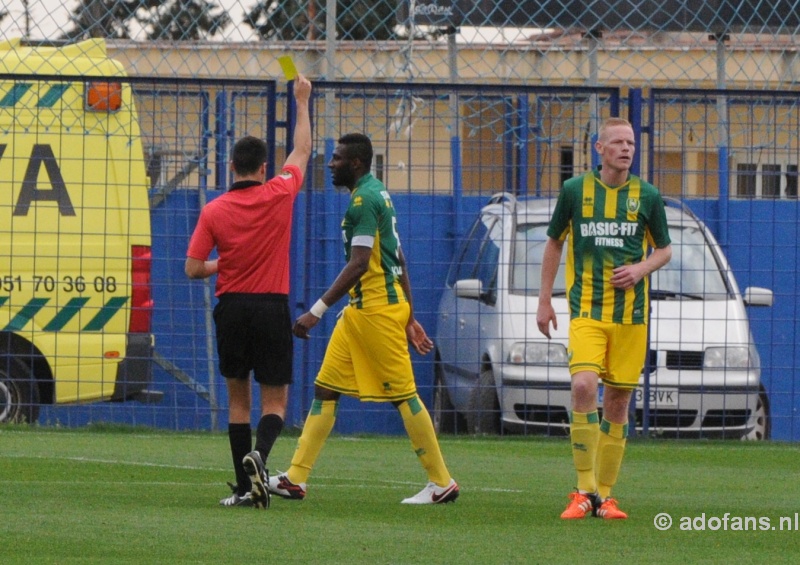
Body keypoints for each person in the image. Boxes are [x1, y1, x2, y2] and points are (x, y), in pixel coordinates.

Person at [267, 132, 459, 505]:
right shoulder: (377, 192)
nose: (330, 163)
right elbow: (398, 257)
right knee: (326, 388)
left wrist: (315, 312)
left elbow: (359, 265)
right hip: (364, 311)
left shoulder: (363, 200)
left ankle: (442, 482)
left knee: (404, 395)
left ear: (355, 163)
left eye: (337, 158)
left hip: (375, 311)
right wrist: (410, 316)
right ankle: (295, 478)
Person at [184, 75, 312, 509]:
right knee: (274, 398)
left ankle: (244, 486)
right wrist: (302, 101)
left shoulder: (214, 209)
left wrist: (226, 262)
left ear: (231, 168)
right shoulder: (279, 192)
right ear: (262, 169)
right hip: (272, 305)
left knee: (238, 400)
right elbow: (302, 150)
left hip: (232, 307)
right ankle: (263, 456)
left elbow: (191, 268)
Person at [536, 117, 672, 520]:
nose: (627, 148)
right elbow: (554, 244)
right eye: (618, 142)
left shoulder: (647, 196)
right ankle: (583, 490)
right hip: (587, 312)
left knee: (617, 402)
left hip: (630, 316)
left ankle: (605, 497)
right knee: (582, 385)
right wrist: (545, 301)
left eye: (630, 142)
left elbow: (664, 250)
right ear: (599, 148)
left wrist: (641, 269)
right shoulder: (575, 191)